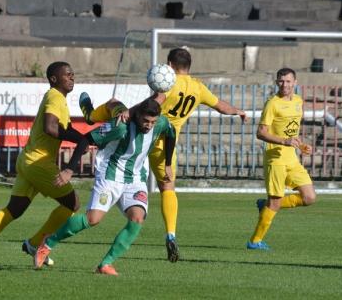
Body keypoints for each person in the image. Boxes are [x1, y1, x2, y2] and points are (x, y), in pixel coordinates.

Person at [79, 47, 246, 262]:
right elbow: (221, 106)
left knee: (113, 104)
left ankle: (91, 116)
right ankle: (170, 233)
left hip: (144, 137)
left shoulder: (168, 82)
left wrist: (128, 113)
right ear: (189, 66)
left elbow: (151, 105)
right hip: (168, 143)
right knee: (167, 188)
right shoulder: (198, 88)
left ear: (169, 64)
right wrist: (238, 111)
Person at [33, 99, 176, 275]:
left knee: (137, 219)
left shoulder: (160, 123)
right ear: (137, 115)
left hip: (136, 179)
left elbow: (171, 132)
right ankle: (48, 242)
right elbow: (86, 139)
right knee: (92, 219)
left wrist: (168, 163)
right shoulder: (120, 127)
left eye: (153, 122)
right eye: (145, 121)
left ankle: (105, 264)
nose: (149, 126)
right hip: (110, 176)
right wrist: (69, 170)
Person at [0, 61, 84, 268]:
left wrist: (82, 136)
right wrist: (80, 140)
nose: (72, 77)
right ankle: (36, 243)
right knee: (73, 205)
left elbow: (65, 128)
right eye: (67, 74)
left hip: (28, 160)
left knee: (15, 209)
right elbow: (50, 127)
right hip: (39, 163)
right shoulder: (55, 96)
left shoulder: (59, 99)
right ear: (54, 79)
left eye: (73, 74)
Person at [246, 67, 316, 250]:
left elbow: (291, 131)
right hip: (275, 159)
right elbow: (261, 133)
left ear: (295, 82)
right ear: (277, 82)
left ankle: (266, 205)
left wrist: (301, 146)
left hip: (291, 159)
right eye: (281, 81)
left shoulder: (298, 102)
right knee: (275, 201)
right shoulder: (272, 104)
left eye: (288, 81)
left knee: (309, 197)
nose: (284, 84)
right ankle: (254, 242)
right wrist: (284, 141)